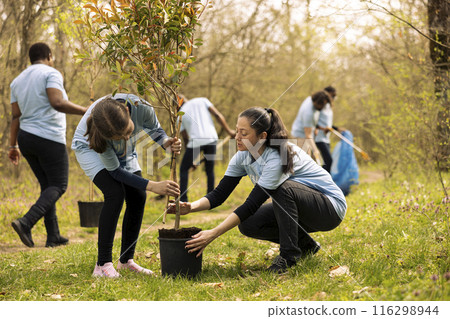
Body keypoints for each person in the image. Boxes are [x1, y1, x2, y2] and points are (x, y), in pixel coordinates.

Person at [169, 107, 347, 274]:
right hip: (303, 207)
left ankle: (288, 256)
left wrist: (213, 233)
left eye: (244, 133)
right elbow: (218, 195)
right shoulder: (242, 156)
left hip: (329, 208)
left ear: (262, 136)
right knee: (248, 223)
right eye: (237, 130)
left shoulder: (277, 155)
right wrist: (190, 207)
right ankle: (306, 245)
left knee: (282, 189)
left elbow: (252, 204)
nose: (237, 137)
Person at [72, 94, 181, 278]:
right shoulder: (99, 132)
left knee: (138, 196)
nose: (126, 137)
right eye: (120, 136)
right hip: (89, 148)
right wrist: (153, 185)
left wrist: (165, 143)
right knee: (114, 193)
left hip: (126, 152)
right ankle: (102, 265)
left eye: (128, 132)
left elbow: (154, 129)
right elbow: (114, 172)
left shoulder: (142, 107)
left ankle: (125, 261)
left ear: (128, 112)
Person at [9, 42, 87, 248]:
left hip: (26, 139)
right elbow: (57, 102)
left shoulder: (17, 81)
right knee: (59, 185)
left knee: (47, 186)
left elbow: (15, 116)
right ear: (49, 55)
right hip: (49, 137)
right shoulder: (50, 73)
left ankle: (53, 235)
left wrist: (12, 146)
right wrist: (86, 110)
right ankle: (26, 222)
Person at [178, 95, 235, 202]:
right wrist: (229, 131)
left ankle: (183, 199)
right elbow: (217, 115)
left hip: (195, 142)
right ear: (186, 99)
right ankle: (211, 198)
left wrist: (192, 160)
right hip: (212, 139)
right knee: (209, 169)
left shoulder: (180, 115)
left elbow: (185, 137)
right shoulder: (202, 100)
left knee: (184, 169)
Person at [291, 91, 332, 165]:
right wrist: (315, 150)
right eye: (322, 104)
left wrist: (319, 128)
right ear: (317, 102)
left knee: (311, 162)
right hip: (300, 137)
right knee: (304, 163)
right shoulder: (308, 113)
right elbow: (308, 135)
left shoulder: (310, 99)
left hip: (304, 135)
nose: (323, 107)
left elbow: (312, 123)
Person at [315, 86, 338, 172]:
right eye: (332, 95)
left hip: (326, 138)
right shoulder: (320, 106)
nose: (333, 98)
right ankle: (322, 180)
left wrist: (337, 128)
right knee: (329, 160)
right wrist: (322, 128)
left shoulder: (329, 108)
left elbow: (328, 123)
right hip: (318, 138)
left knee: (327, 162)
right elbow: (312, 122)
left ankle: (325, 181)